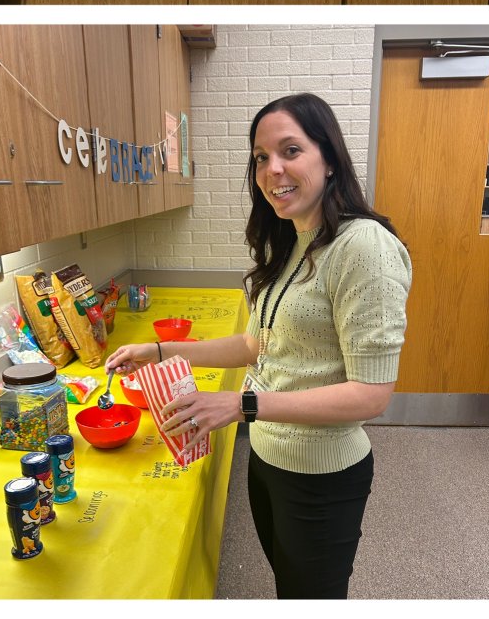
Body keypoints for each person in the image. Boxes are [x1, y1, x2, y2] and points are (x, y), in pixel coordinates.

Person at [106, 92, 412, 600]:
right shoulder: (293, 244)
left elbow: (371, 394)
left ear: (330, 159)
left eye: (291, 151)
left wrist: (242, 404)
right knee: (287, 590)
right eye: (260, 158)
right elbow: (255, 345)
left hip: (321, 475)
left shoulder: (364, 247)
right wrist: (160, 352)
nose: (273, 169)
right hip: (269, 460)